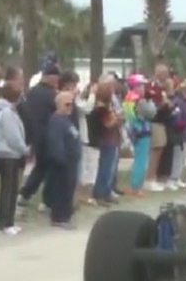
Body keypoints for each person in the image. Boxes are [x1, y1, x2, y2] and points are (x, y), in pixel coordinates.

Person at [17, 57, 61, 208]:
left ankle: (25, 194)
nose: (57, 80)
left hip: (34, 135)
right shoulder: (51, 95)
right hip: (48, 136)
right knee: (50, 169)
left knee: (41, 168)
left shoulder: (32, 92)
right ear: (49, 77)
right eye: (55, 77)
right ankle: (47, 200)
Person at [0, 82, 27, 234]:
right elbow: (13, 137)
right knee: (8, 190)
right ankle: (5, 222)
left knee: (12, 190)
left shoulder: (10, 111)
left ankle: (9, 221)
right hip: (8, 155)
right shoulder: (7, 113)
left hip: (10, 154)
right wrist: (24, 149)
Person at [44, 90, 81, 229]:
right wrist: (61, 159)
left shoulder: (67, 120)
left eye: (72, 105)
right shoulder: (56, 121)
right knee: (61, 189)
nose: (70, 107)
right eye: (67, 104)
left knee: (68, 189)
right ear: (59, 104)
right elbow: (55, 141)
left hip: (71, 162)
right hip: (62, 164)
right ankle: (59, 217)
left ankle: (66, 215)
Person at [87, 79, 122, 207]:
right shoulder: (100, 108)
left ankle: (106, 191)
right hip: (105, 140)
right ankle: (100, 193)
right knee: (104, 168)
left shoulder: (107, 106)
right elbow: (107, 124)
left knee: (109, 168)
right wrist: (118, 118)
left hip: (111, 139)